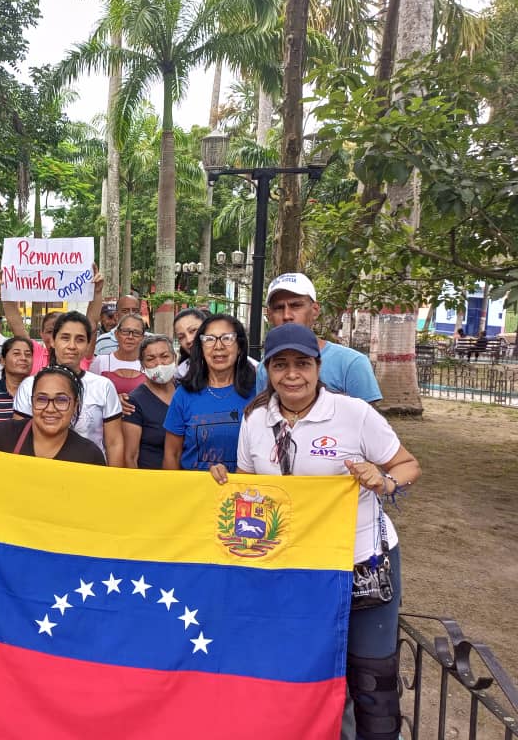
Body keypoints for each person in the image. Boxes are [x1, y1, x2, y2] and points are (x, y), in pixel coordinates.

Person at [210, 323, 421, 740]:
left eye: (302, 364)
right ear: (267, 369)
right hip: (292, 566)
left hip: (358, 560)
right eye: (281, 364)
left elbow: (408, 464)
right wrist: (225, 483)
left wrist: (385, 480)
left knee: (371, 675)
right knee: (308, 669)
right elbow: (253, 490)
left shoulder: (353, 413)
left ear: (318, 366)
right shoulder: (254, 418)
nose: (292, 374)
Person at [14, 311, 124, 466]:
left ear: (87, 346)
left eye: (80, 340)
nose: (72, 346)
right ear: (52, 341)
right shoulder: (30, 386)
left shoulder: (103, 386)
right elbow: (20, 435)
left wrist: (113, 483)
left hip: (90, 472)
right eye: (65, 338)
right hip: (40, 472)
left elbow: (114, 442)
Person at [257, 273, 382, 403]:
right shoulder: (265, 367)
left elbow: (369, 419)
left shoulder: (351, 363)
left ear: (315, 310)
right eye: (279, 308)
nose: (287, 315)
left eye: (296, 305)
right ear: (269, 315)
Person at [163, 314, 256, 471]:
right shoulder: (183, 395)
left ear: (239, 346)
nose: (218, 346)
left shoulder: (257, 392)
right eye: (210, 339)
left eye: (227, 338)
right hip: (195, 492)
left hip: (244, 492)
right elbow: (172, 454)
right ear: (201, 348)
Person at [0, 365, 106, 465]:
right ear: (31, 402)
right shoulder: (0, 437)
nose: (50, 409)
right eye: (42, 399)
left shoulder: (90, 456)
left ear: (75, 405)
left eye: (61, 400)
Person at [123, 335, 178, 469]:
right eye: (150, 359)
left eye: (164, 356)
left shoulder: (186, 392)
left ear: (174, 358)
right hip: (152, 479)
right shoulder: (134, 402)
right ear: (142, 365)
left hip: (189, 479)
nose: (159, 363)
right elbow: (130, 456)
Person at [89, 313, 147, 394]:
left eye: (136, 333)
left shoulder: (148, 364)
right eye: (125, 331)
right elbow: (91, 393)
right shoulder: (101, 361)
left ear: (143, 338)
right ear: (116, 334)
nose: (130, 337)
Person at [173, 307, 208, 379]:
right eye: (181, 337)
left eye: (193, 330)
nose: (189, 340)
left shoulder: (231, 361)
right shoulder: (181, 374)